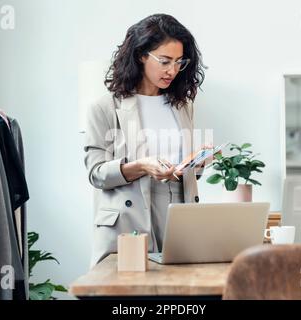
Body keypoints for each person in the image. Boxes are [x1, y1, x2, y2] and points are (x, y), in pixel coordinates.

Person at [84, 13, 208, 266]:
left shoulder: (182, 106)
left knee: (182, 296)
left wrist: (197, 162)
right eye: (164, 61)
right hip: (129, 223)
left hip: (178, 218)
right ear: (141, 55)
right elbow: (96, 174)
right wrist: (141, 166)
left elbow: (185, 172)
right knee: (131, 296)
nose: (172, 70)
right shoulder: (103, 107)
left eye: (179, 62)